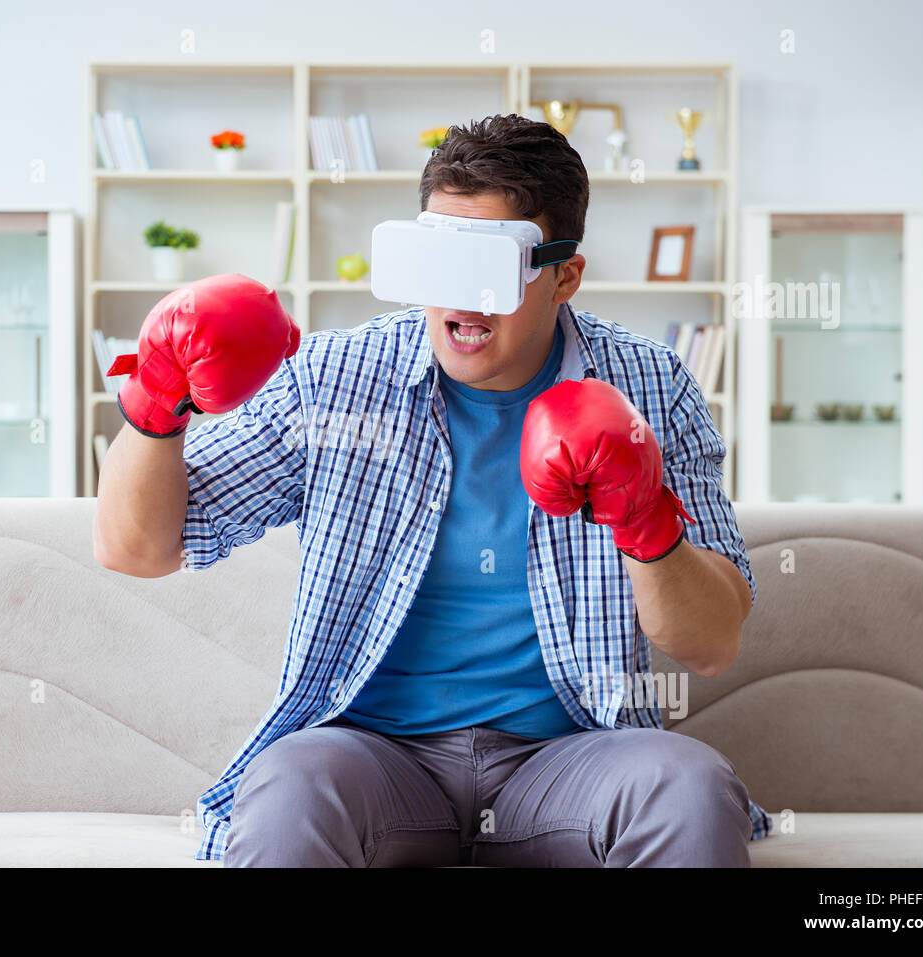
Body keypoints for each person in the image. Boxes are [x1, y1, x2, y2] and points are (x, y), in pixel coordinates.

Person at [93, 113, 771, 867]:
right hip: (373, 757)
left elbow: (710, 644)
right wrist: (158, 402)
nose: (464, 300)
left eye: (491, 266)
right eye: (439, 259)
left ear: (564, 275)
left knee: (690, 784)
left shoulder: (651, 384)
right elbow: (133, 549)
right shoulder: (335, 380)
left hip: (568, 759)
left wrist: (645, 516)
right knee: (288, 782)